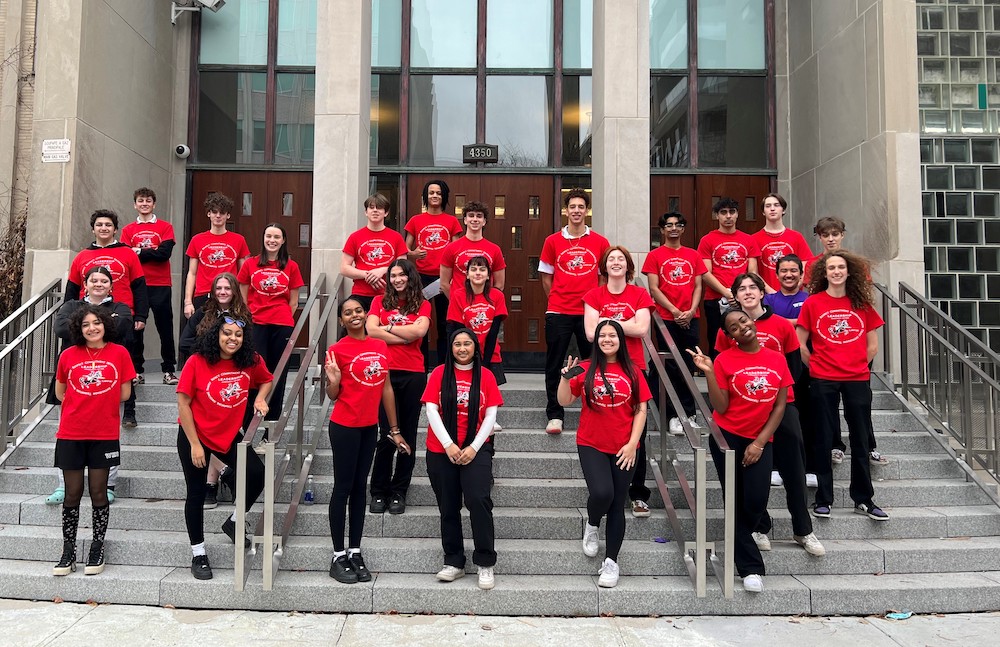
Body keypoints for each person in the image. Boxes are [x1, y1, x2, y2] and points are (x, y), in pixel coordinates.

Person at [714, 273, 825, 558]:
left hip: (781, 405)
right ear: (735, 296)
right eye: (742, 289)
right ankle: (759, 527)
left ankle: (803, 528)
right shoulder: (726, 330)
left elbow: (793, 365)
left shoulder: (781, 325)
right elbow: (724, 369)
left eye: (753, 287)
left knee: (793, 467)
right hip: (745, 408)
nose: (748, 292)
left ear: (763, 292)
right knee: (754, 475)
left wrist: (783, 397)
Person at [689, 308, 793, 593]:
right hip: (727, 438)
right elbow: (720, 407)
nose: (741, 328)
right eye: (733, 327)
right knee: (733, 501)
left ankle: (741, 540)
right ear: (730, 336)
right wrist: (709, 372)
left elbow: (780, 405)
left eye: (743, 321)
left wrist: (760, 442)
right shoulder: (724, 360)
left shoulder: (776, 358)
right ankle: (751, 569)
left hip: (760, 439)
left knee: (756, 500)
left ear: (753, 321)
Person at [176, 315, 273, 580]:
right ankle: (199, 553)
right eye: (227, 333)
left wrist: (261, 399)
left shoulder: (251, 361)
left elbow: (266, 379)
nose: (232, 339)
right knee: (196, 492)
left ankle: (233, 520)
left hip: (228, 435)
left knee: (257, 475)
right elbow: (183, 403)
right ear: (216, 335)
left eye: (238, 335)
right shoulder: (198, 362)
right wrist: (195, 445)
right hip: (194, 434)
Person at [557, 319, 651, 589]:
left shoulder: (633, 371)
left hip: (624, 446)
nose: (607, 339)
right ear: (595, 340)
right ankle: (593, 523)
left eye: (613, 335)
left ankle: (611, 561)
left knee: (618, 502)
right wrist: (565, 378)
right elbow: (565, 401)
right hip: (591, 443)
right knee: (602, 494)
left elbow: (641, 410)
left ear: (621, 340)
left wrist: (633, 444)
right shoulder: (585, 368)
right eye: (602, 335)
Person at [797, 250, 889, 522]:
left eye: (841, 267)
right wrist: (813, 366)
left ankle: (863, 498)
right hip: (823, 378)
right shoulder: (813, 303)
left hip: (857, 378)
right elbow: (800, 342)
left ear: (849, 272)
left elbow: (873, 345)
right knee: (824, 438)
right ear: (824, 273)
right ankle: (824, 499)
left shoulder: (861, 304)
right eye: (831, 268)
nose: (836, 271)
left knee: (860, 439)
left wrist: (859, 363)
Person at [325, 298, 405, 584]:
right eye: (348, 313)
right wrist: (333, 380)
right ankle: (337, 555)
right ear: (341, 320)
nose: (354, 315)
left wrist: (394, 429)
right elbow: (332, 395)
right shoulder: (336, 350)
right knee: (343, 488)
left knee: (361, 489)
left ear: (366, 314)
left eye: (358, 310)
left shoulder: (380, 346)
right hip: (345, 427)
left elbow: (385, 387)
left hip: (370, 427)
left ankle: (355, 552)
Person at [52, 303, 135, 576]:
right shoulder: (68, 355)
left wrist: (98, 399)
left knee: (99, 493)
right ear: (79, 328)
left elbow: (124, 393)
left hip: (104, 433)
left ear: (105, 325)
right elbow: (61, 391)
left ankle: (97, 548)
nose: (92, 328)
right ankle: (68, 550)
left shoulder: (120, 353)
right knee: (72, 494)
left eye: (96, 323)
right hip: (71, 433)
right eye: (86, 324)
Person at [422, 329, 503, 591]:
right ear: (451, 347)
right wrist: (448, 444)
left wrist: (473, 447)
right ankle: (454, 561)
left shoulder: (486, 376)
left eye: (467, 343)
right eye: (457, 344)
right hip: (440, 449)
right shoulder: (439, 373)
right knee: (448, 505)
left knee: (478, 501)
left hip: (476, 449)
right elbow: (431, 410)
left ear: (475, 347)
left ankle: (485, 562)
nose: (462, 348)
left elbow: (490, 416)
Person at [46, 267, 133, 506]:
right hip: (75, 382)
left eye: (104, 280)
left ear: (111, 286)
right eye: (93, 280)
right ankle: (64, 487)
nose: (98, 284)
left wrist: (85, 328)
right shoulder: (71, 304)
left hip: (109, 384)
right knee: (65, 436)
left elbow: (122, 328)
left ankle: (109, 485)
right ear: (85, 284)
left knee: (111, 436)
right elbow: (61, 328)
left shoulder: (121, 307)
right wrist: (101, 329)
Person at [583, 246, 655, 518]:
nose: (616, 263)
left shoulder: (639, 294)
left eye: (621, 259)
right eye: (611, 259)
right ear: (604, 266)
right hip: (600, 370)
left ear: (628, 267)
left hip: (633, 368)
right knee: (602, 428)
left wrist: (606, 321)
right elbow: (591, 334)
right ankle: (605, 486)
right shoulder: (593, 295)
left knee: (639, 435)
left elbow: (642, 329)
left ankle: (637, 494)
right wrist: (625, 321)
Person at [178, 272, 255, 510]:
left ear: (234, 291)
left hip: (233, 382)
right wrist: (206, 354)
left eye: (227, 288)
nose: (223, 292)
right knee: (206, 431)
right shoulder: (203, 312)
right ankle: (213, 481)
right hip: (204, 380)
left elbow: (249, 348)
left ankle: (216, 479)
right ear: (213, 290)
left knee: (224, 433)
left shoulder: (244, 316)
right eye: (219, 287)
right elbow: (184, 342)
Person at [66, 209, 148, 429]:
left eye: (108, 225)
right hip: (89, 321)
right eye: (99, 224)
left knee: (127, 364)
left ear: (115, 229)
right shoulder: (82, 256)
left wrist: (141, 315)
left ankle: (129, 411)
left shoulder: (128, 253)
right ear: (93, 228)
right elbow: (72, 288)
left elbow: (139, 286)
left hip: (122, 317)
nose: (104, 228)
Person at [538, 188, 609, 435]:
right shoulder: (552, 241)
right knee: (555, 363)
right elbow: (546, 277)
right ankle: (555, 414)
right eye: (573, 207)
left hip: (589, 312)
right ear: (566, 210)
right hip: (558, 311)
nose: (577, 211)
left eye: (581, 207)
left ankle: (595, 409)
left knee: (594, 362)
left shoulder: (600, 242)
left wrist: (595, 305)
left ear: (586, 211)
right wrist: (557, 299)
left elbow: (603, 278)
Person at [366, 260, 430, 515]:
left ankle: (399, 491)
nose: (397, 279)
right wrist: (406, 334)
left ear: (410, 277)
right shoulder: (378, 302)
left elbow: (421, 331)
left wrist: (388, 328)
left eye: (402, 274)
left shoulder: (423, 304)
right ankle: (378, 491)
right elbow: (370, 331)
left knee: (409, 433)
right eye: (393, 275)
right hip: (384, 372)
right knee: (386, 434)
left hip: (413, 373)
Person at [641, 211, 706, 435]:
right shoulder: (655, 255)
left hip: (691, 318)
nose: (673, 228)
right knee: (669, 367)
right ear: (662, 229)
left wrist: (690, 311)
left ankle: (689, 414)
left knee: (688, 366)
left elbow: (698, 286)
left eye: (678, 224)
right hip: (667, 319)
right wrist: (675, 310)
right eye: (668, 225)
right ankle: (671, 416)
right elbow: (654, 288)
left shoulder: (693, 255)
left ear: (683, 228)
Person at [238, 223, 305, 427]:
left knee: (279, 373)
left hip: (282, 325)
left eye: (277, 237)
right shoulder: (250, 264)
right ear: (263, 238)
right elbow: (242, 293)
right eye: (269, 236)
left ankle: (271, 427)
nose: (272, 240)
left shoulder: (291, 266)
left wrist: (283, 316)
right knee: (255, 370)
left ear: (283, 240)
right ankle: (248, 423)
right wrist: (250, 316)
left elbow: (294, 302)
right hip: (256, 324)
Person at [121, 187, 179, 385]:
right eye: (140, 201)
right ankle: (137, 370)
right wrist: (149, 251)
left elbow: (164, 254)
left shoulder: (165, 227)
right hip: (137, 284)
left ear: (154, 204)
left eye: (148, 201)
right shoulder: (128, 230)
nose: (144, 204)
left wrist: (139, 251)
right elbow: (127, 256)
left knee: (165, 328)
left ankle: (169, 370)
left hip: (161, 284)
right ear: (135, 205)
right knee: (137, 327)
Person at [404, 180, 464, 368]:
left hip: (444, 278)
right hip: (420, 277)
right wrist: (413, 254)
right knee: (420, 321)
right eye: (431, 193)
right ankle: (421, 365)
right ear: (426, 196)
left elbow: (458, 249)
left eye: (438, 193)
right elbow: (405, 249)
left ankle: (444, 365)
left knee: (445, 322)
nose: (435, 196)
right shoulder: (416, 220)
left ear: (444, 196)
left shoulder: (451, 221)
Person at [697, 198, 760, 358]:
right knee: (717, 339)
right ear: (717, 216)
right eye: (723, 212)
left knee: (745, 336)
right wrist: (727, 293)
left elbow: (752, 272)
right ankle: (717, 377)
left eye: (732, 212)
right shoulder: (707, 240)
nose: (728, 216)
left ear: (737, 214)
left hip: (744, 298)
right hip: (715, 298)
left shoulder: (748, 239)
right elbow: (705, 273)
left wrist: (739, 294)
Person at [183, 192, 251, 319]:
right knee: (202, 335)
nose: (218, 216)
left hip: (230, 295)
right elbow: (192, 273)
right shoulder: (197, 240)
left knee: (228, 335)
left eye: (222, 212)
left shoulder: (239, 240)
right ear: (209, 214)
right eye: (214, 212)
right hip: (203, 294)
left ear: (228, 215)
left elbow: (243, 274)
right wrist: (188, 302)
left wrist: (244, 302)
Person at [446, 255, 509, 389]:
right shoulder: (458, 295)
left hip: (490, 356)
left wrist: (484, 363)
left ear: (488, 276)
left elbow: (493, 333)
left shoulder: (497, 296)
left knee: (488, 398)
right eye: (473, 269)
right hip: (464, 354)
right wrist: (469, 358)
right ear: (467, 275)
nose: (478, 273)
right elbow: (459, 331)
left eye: (482, 269)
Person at [340, 193, 408, 311]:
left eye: (379, 208)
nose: (375, 210)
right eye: (371, 207)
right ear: (366, 212)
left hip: (390, 293)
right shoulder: (355, 237)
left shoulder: (396, 237)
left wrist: (382, 270)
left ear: (386, 213)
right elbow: (344, 268)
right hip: (361, 294)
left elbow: (404, 266)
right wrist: (369, 275)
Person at [439, 200, 506, 301]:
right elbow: (444, 283)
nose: (475, 219)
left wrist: (486, 303)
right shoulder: (451, 248)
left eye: (479, 216)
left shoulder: (495, 250)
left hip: (485, 308)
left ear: (484, 221)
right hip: (459, 307)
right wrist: (457, 302)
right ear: (465, 220)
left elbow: (499, 285)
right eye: (471, 215)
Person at [751, 194, 813, 294]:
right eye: (768, 206)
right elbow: (753, 272)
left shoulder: (796, 236)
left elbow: (805, 264)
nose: (772, 209)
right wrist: (771, 293)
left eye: (776, 205)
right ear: (763, 212)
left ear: (783, 210)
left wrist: (795, 287)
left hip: (794, 294)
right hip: (766, 296)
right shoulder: (753, 239)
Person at [762, 254, 809, 325]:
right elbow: (768, 323)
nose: (789, 275)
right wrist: (801, 322)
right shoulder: (768, 300)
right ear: (777, 275)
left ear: (801, 275)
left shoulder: (809, 299)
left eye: (793, 270)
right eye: (784, 271)